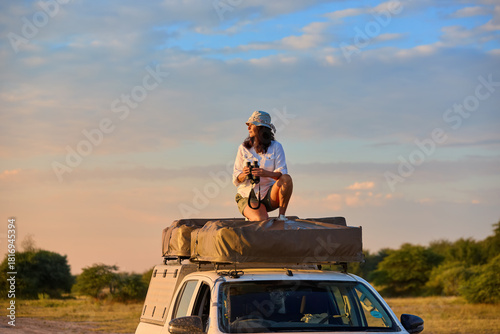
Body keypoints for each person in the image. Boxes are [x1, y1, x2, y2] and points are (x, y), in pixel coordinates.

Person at [232, 111, 293, 221]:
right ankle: (252, 214)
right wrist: (244, 174)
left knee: (287, 179)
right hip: (248, 195)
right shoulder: (243, 148)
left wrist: (265, 173)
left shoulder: (276, 146)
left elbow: (282, 172)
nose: (248, 128)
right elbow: (236, 178)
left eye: (251, 125)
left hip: (269, 195)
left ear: (260, 128)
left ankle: (282, 216)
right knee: (261, 219)